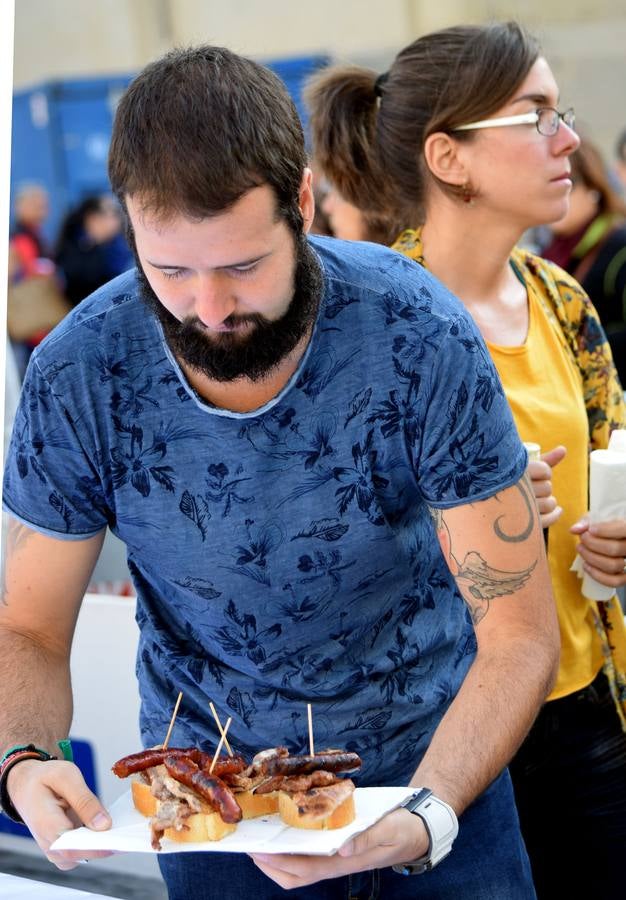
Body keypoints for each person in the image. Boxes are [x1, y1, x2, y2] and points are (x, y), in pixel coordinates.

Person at [0, 45, 558, 900]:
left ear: (301, 201)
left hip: (437, 780)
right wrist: (24, 759)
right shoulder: (82, 371)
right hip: (210, 805)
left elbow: (519, 633)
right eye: (171, 270)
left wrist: (430, 811)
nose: (210, 308)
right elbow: (29, 630)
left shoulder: (418, 333)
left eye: (242, 266)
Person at [306, 21, 626, 900]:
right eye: (535, 116)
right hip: (459, 732)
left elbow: (614, 450)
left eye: (561, 112)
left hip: (589, 698)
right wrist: (460, 504)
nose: (567, 139)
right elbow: (327, 532)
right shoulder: (375, 325)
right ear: (449, 157)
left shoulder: (562, 299)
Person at [540, 136, 626, 384]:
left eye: (569, 182)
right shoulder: (548, 253)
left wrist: (576, 353)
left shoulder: (618, 245)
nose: (557, 192)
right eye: (548, 182)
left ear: (594, 188)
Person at [54, 194, 131, 307]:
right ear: (93, 219)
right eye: (112, 214)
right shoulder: (73, 247)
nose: (117, 220)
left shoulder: (116, 245)